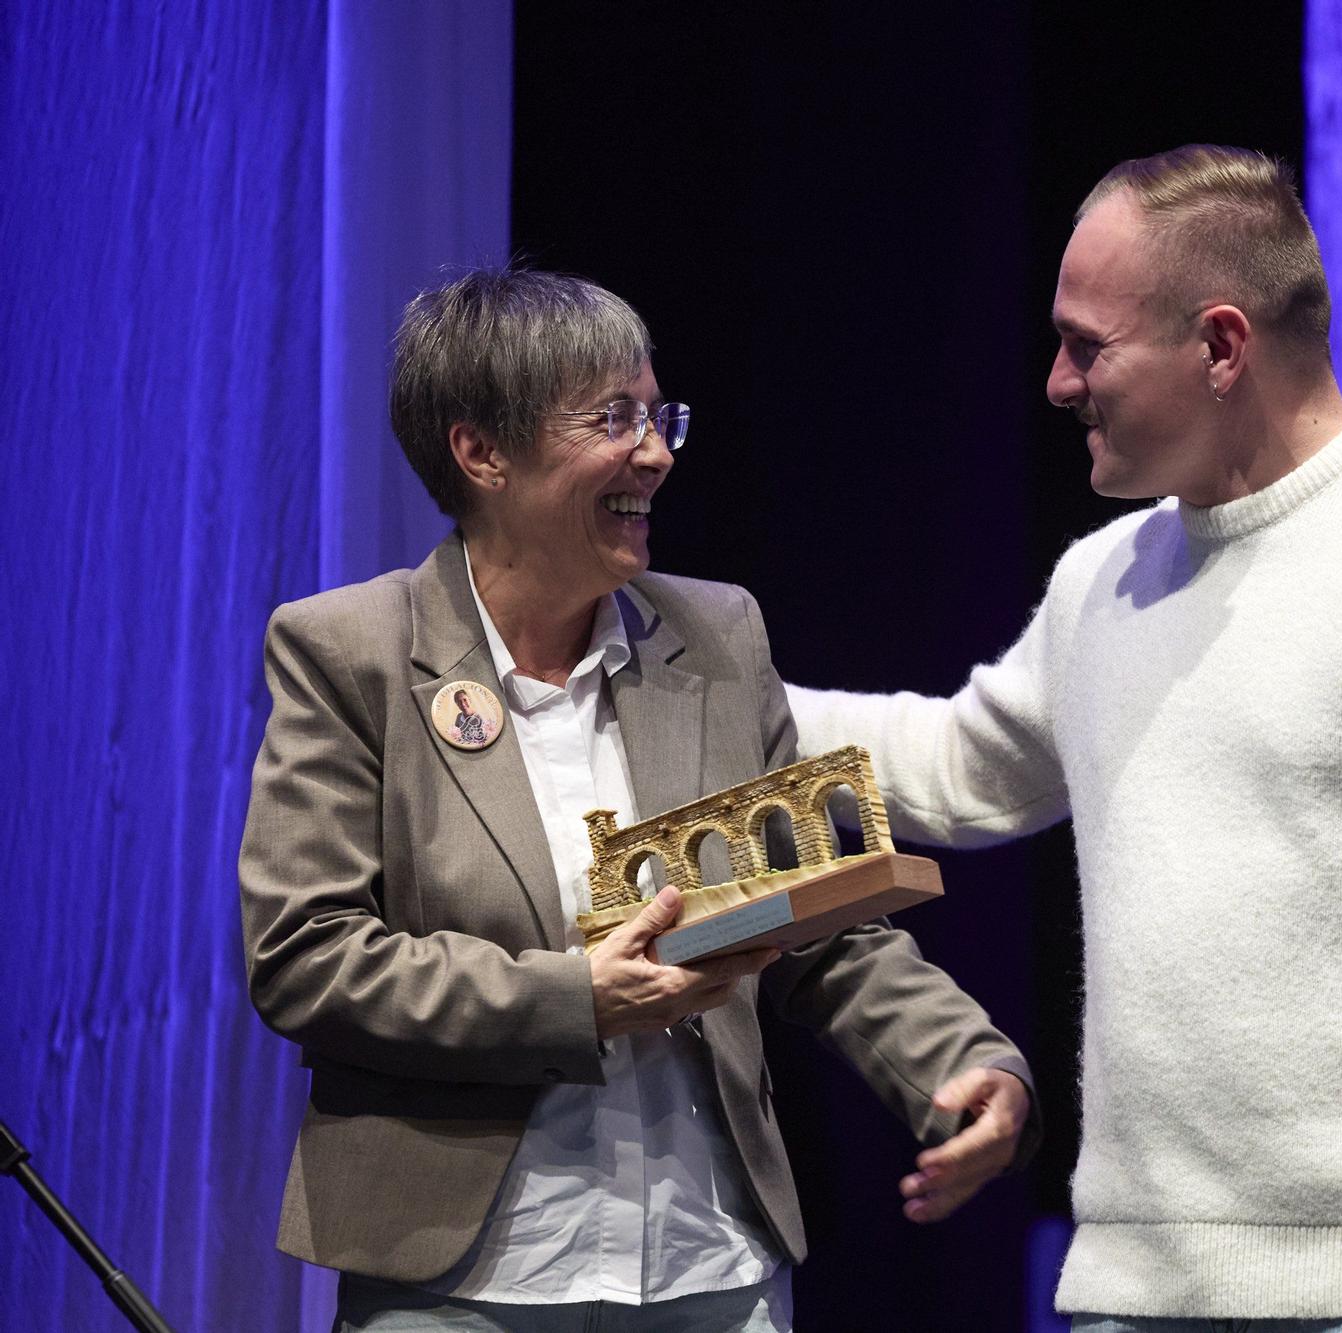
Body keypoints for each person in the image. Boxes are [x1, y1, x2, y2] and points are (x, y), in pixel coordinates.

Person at [785, 146, 1342, 1333]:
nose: (1054, 383)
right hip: (1138, 1291)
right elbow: (956, 767)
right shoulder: (1107, 578)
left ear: (1218, 347)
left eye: (1085, 345)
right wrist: (691, 684)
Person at [239, 268, 1035, 1332]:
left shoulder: (715, 637)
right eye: (613, 418)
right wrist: (572, 999)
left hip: (708, 1261)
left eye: (659, 415)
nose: (656, 452)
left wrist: (963, 1059)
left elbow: (816, 922)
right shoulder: (352, 654)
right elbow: (306, 954)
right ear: (482, 453)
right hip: (464, 1281)